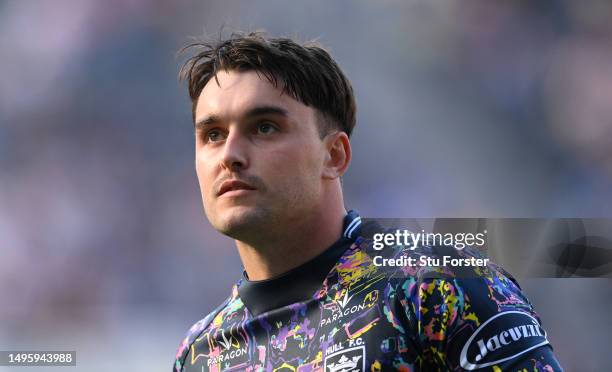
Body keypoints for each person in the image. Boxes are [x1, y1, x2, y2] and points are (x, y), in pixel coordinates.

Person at [173, 31, 563, 371]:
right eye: (212, 134)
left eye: (265, 127)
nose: (230, 154)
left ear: (334, 156)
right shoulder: (200, 353)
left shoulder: (438, 286)